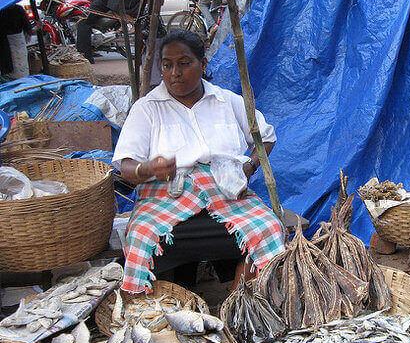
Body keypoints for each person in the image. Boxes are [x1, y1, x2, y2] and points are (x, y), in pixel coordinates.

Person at [112, 30, 285, 293]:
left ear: (202, 64)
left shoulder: (227, 101)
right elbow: (125, 166)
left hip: (226, 195)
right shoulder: (147, 107)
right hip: (166, 196)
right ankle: (163, 304)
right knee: (141, 237)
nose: (174, 73)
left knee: (268, 228)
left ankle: (240, 305)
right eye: (167, 65)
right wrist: (148, 168)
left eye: (184, 63)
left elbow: (265, 138)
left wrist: (249, 166)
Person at [0, 3, 34, 79]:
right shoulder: (18, 8)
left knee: (9, 69)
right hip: (17, 40)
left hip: (4, 42)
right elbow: (28, 27)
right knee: (20, 67)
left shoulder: (2, 8)